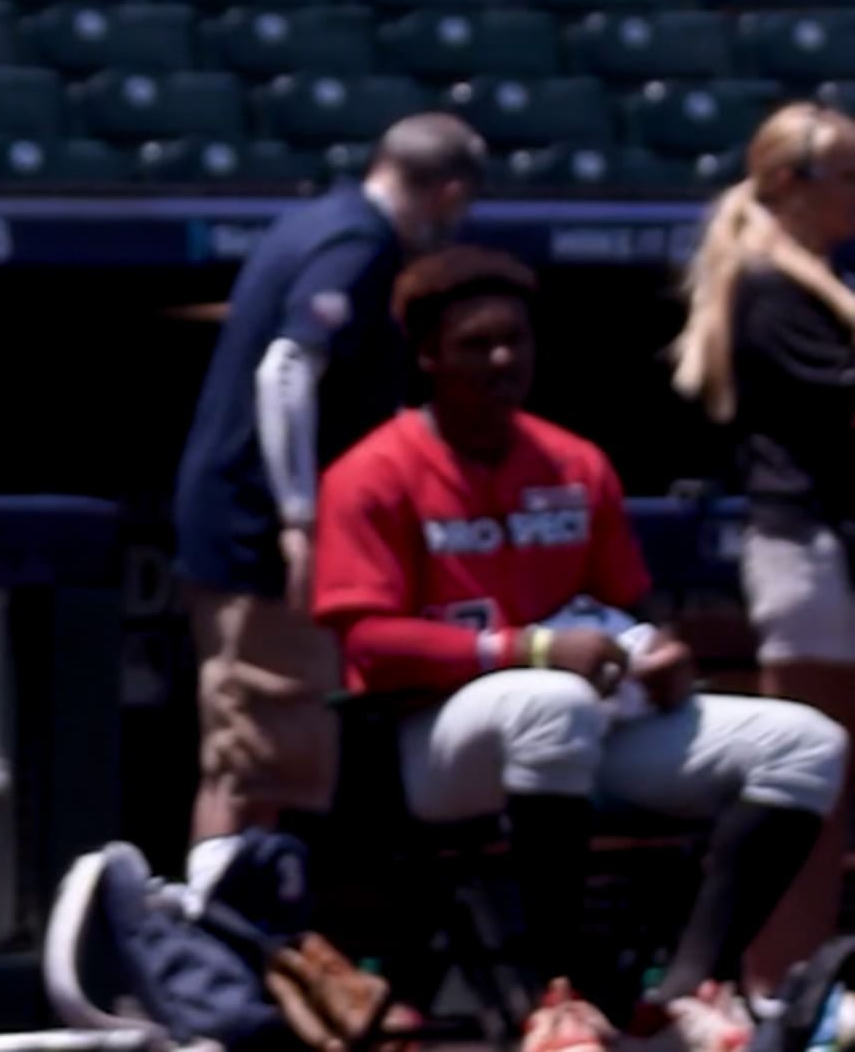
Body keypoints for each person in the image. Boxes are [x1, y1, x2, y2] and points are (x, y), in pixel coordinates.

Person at [316, 247, 848, 1052]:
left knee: (807, 743)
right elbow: (368, 640)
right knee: (549, 700)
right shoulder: (373, 473)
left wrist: (661, 653)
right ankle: (555, 996)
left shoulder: (572, 462)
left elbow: (629, 608)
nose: (503, 361)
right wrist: (528, 649)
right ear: (428, 357)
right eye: (476, 345)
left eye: (517, 342)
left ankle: (683, 991)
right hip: (436, 744)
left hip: (584, 732)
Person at [171, 113, 488, 899]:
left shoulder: (320, 218)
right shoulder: (360, 241)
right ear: (448, 192)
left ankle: (218, 958)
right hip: (258, 534)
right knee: (264, 755)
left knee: (247, 753)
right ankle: (225, 966)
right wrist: (302, 517)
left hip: (237, 520)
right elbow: (285, 368)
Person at [667, 102, 855, 988]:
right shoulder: (772, 284)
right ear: (790, 184)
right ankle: (784, 993)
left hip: (818, 553)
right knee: (814, 794)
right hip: (808, 555)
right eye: (847, 174)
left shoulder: (807, 276)